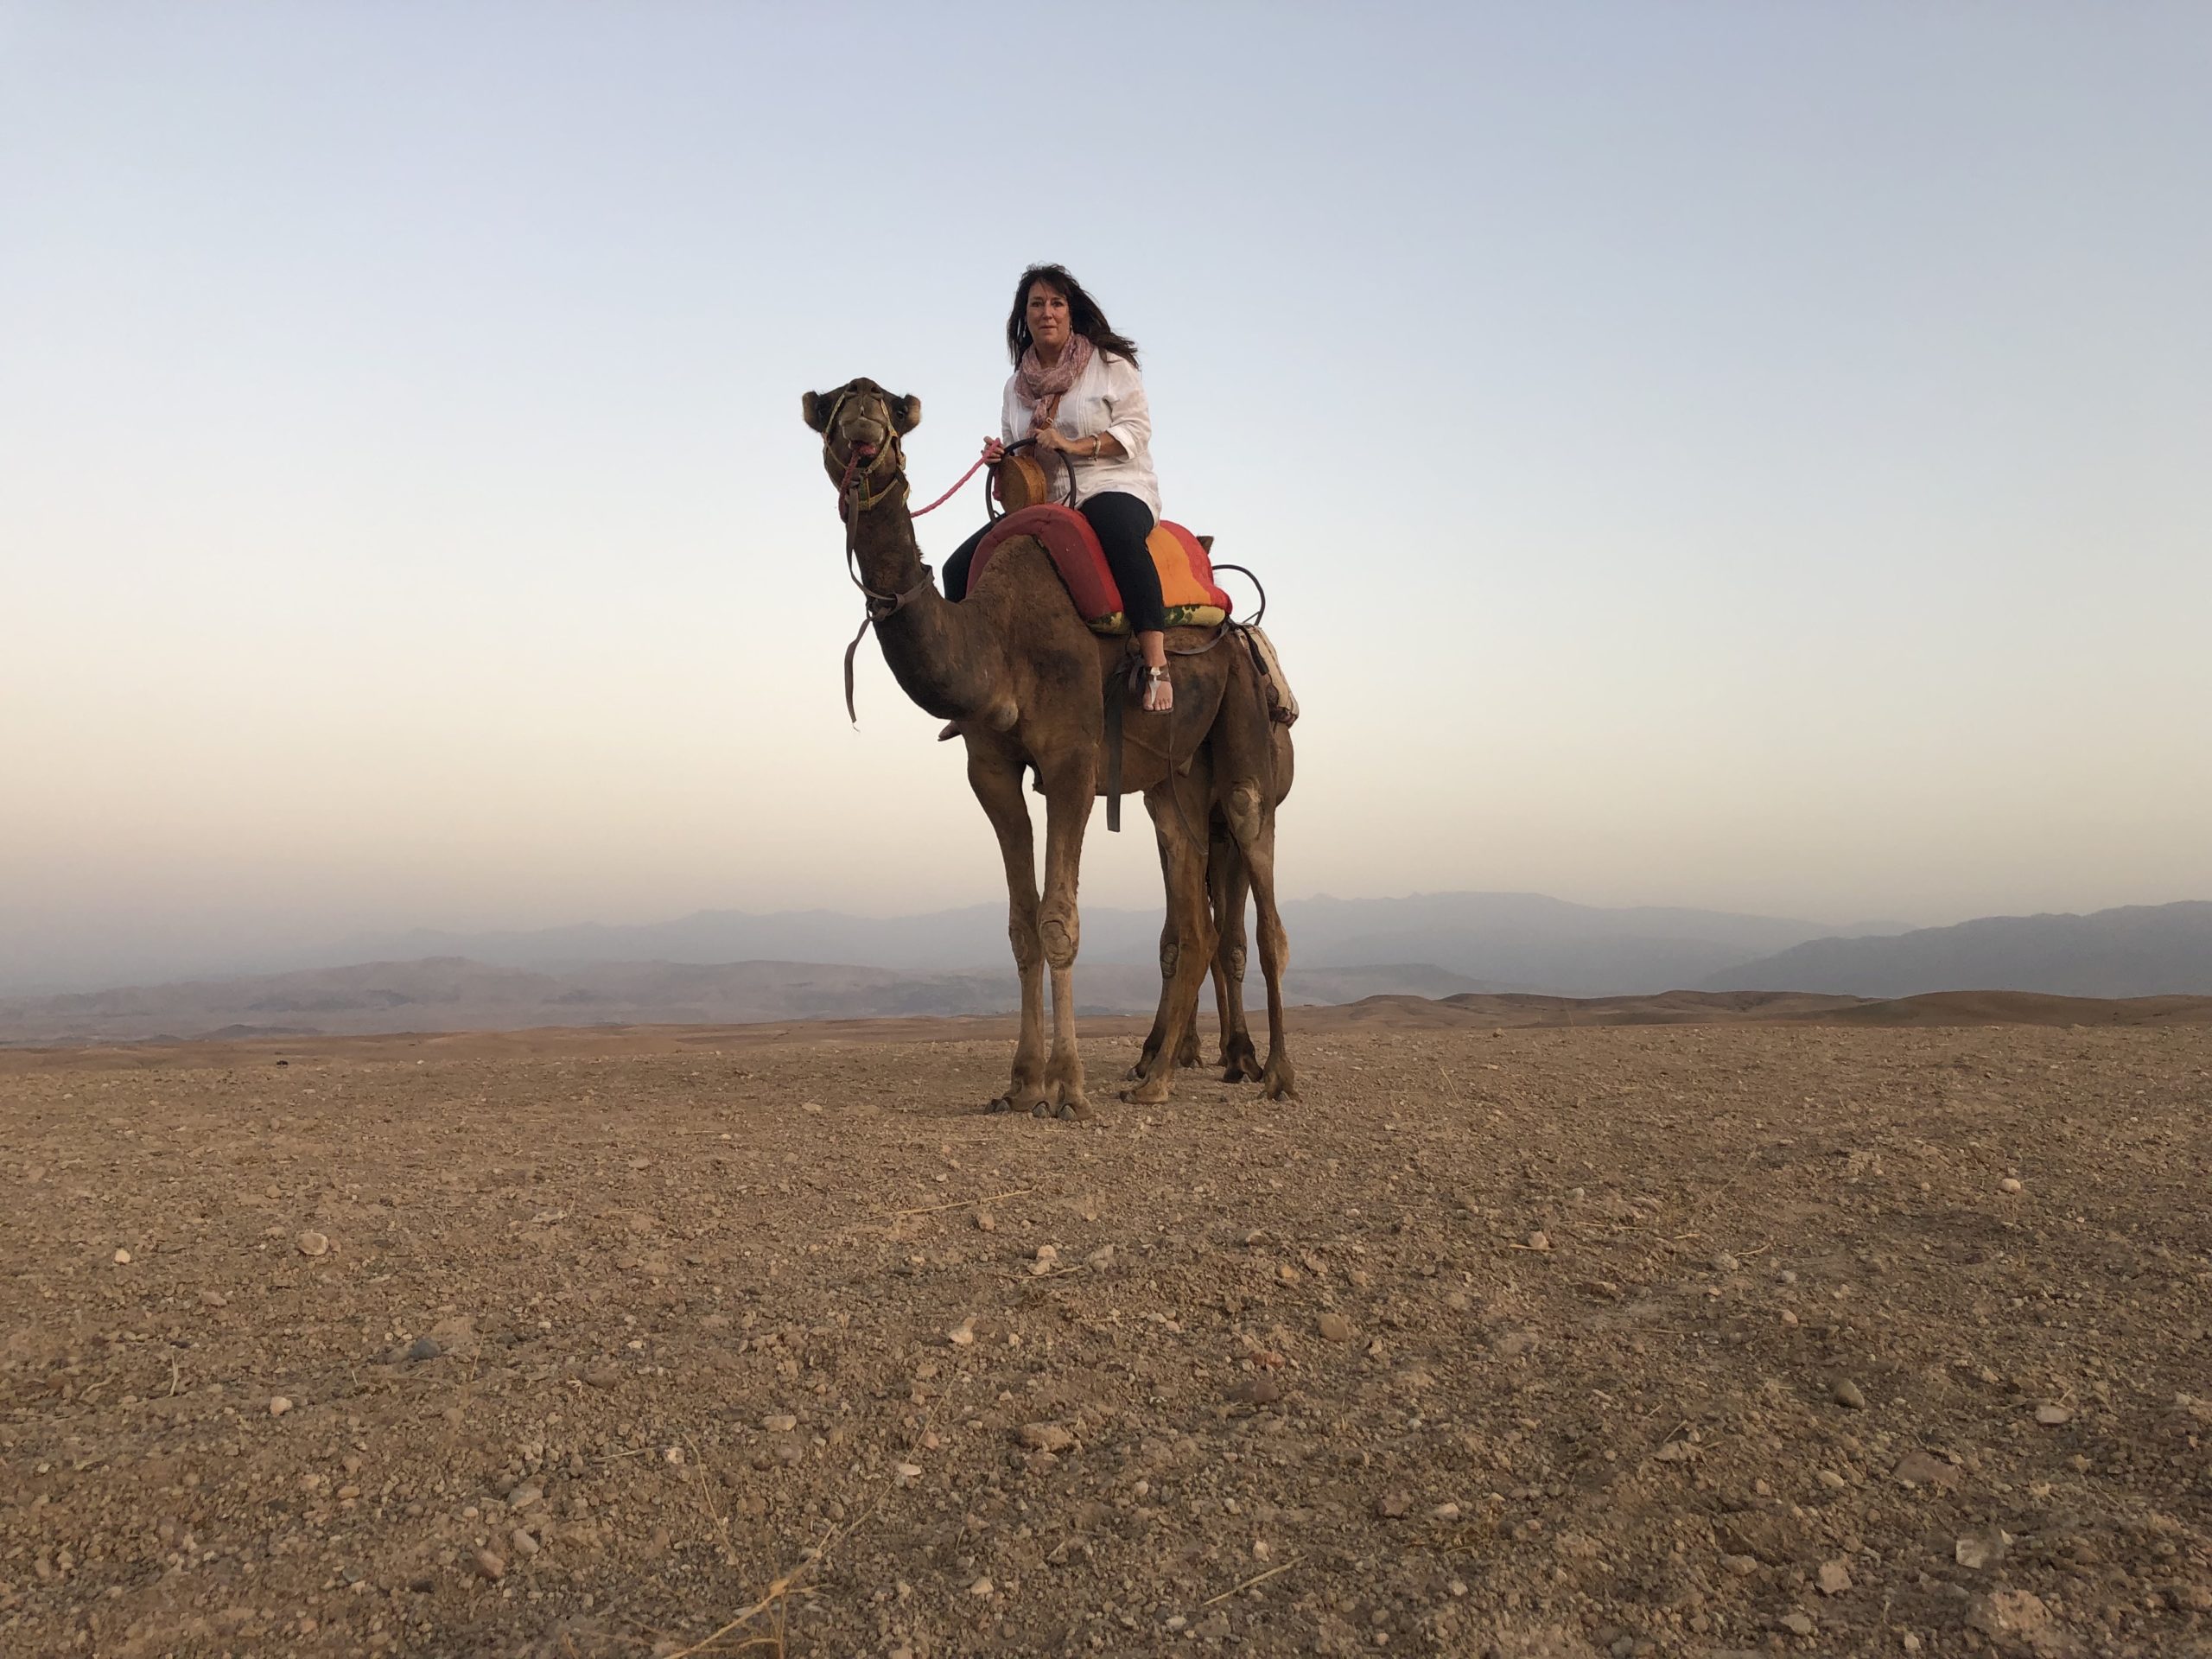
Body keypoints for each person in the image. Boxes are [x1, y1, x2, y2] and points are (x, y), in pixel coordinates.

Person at [941, 264, 1173, 715]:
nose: (1047, 312)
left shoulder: (1110, 365)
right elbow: (1020, 454)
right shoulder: (1015, 387)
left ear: (1070, 312)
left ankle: (1156, 665)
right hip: (1046, 503)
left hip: (1113, 484)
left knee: (1116, 531)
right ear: (1023, 317)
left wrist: (1074, 444)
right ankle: (973, 693)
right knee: (958, 569)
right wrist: (1002, 458)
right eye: (1037, 304)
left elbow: (1137, 430)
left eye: (1056, 303)